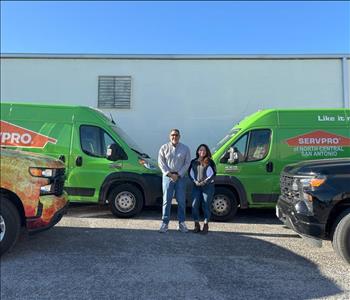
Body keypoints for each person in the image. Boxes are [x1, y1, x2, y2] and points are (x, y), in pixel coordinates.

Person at [158, 129, 191, 233]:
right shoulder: (164, 148)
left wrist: (179, 174)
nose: (174, 137)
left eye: (176, 135)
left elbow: (187, 163)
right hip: (168, 177)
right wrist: (169, 174)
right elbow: (161, 162)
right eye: (172, 135)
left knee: (181, 201)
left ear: (179, 136)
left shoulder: (185, 149)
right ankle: (164, 223)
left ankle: (181, 223)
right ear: (169, 136)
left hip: (180, 178)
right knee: (166, 201)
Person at [188, 144, 216, 234]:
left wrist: (205, 182)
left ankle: (206, 224)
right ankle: (196, 224)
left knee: (206, 205)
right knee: (194, 205)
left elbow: (213, 174)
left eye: (204, 150)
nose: (202, 152)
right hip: (196, 186)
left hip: (207, 187)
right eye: (200, 150)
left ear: (206, 152)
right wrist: (195, 181)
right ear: (197, 151)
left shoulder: (210, 162)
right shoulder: (193, 162)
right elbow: (190, 173)